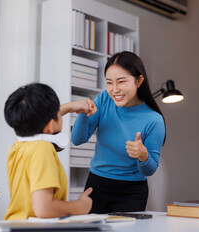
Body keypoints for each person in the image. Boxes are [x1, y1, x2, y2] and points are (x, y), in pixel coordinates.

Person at [71, 51, 166, 213]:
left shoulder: (154, 119)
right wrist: (82, 114)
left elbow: (149, 170)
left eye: (121, 82)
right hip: (96, 186)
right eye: (109, 82)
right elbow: (78, 139)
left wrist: (143, 155)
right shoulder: (104, 100)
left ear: (139, 80)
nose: (114, 90)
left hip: (131, 192)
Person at [3, 83, 96, 220]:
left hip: (16, 226)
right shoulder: (42, 149)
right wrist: (79, 206)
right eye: (58, 114)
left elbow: (37, 118)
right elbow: (43, 209)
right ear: (50, 125)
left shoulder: (18, 147)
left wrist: (69, 107)